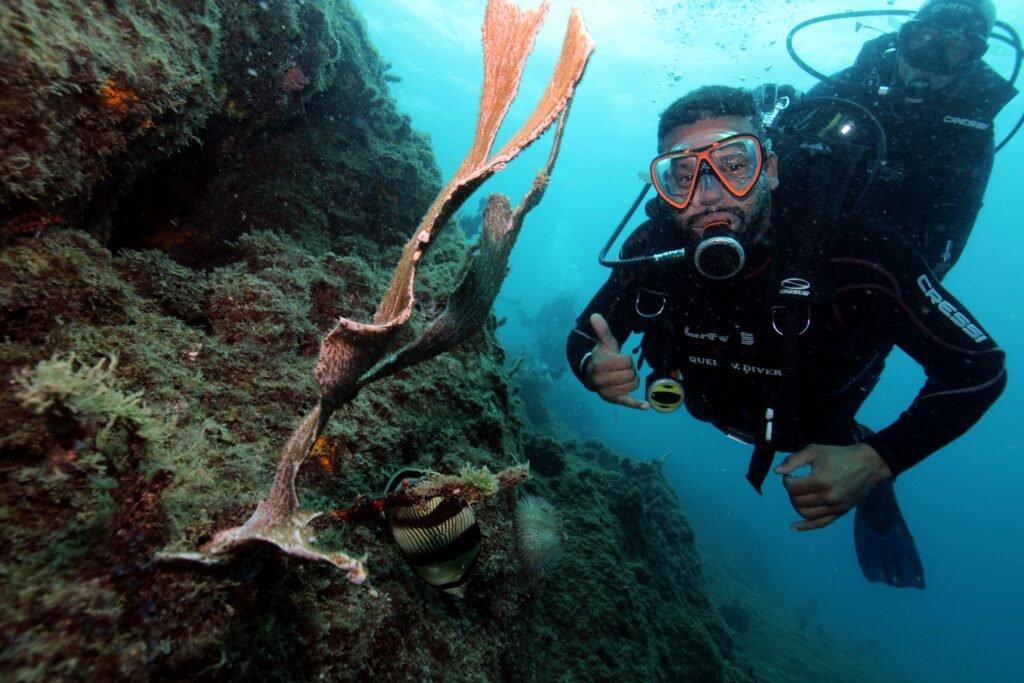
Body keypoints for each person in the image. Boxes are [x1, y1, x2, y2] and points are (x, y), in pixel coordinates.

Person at [566, 85, 1006, 588]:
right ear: (663, 186)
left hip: (820, 432)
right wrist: (592, 367)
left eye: (734, 165)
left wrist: (877, 459)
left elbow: (979, 368)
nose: (707, 195)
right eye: (683, 176)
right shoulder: (652, 251)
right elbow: (585, 335)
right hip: (708, 407)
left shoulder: (862, 255)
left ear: (770, 169)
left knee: (863, 454)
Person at [768, 0, 1017, 279]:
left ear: (973, 60)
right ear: (902, 38)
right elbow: (768, 161)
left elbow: (951, 234)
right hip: (789, 242)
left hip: (879, 272)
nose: (932, 59)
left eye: (956, 47)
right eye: (923, 38)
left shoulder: (971, 132)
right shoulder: (850, 86)